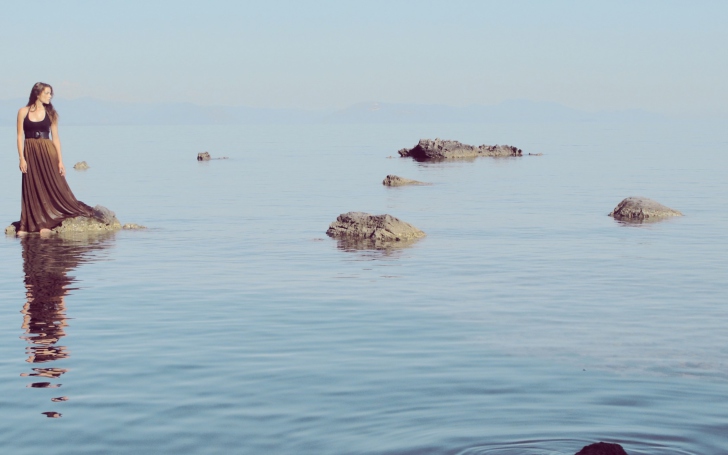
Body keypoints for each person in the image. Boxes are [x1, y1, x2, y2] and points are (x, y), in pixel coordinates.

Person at [16, 82, 95, 235]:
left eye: (51, 93)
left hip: (48, 151)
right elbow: (19, 137)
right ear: (37, 94)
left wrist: (60, 161)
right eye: (47, 93)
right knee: (32, 185)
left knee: (52, 185)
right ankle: (32, 222)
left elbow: (56, 138)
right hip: (30, 151)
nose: (50, 96)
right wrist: (21, 158)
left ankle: (47, 222)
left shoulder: (51, 113)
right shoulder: (23, 112)